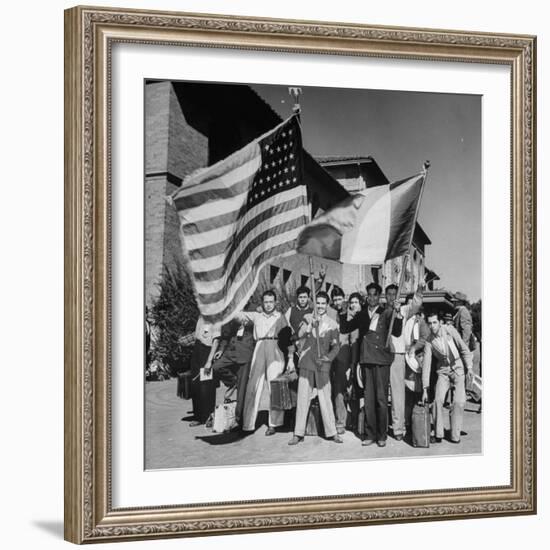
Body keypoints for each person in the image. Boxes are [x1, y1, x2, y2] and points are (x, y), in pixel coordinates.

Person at [338, 282, 403, 447]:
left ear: (379, 296)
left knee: (381, 399)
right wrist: (344, 310)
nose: (372, 297)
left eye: (375, 294)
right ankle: (369, 434)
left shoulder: (386, 311)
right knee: (368, 399)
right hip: (366, 359)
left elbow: (396, 331)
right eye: (370, 294)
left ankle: (382, 436)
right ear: (367, 296)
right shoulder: (361, 314)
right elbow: (345, 328)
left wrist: (398, 313)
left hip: (381, 360)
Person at [289, 292, 342, 445]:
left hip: (322, 365)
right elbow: (298, 335)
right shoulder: (307, 318)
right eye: (317, 303)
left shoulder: (332, 323)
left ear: (327, 305)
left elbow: (336, 346)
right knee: (303, 398)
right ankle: (298, 433)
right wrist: (310, 327)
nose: (319, 306)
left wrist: (328, 358)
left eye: (323, 303)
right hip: (306, 363)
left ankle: (332, 432)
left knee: (326, 399)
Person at [235, 290, 290, 435]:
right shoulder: (256, 316)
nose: (268, 305)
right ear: (262, 303)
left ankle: (275, 423)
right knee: (253, 385)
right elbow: (237, 315)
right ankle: (248, 424)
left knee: (275, 386)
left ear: (275, 302)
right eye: (266, 302)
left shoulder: (280, 317)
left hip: (275, 347)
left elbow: (288, 336)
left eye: (271, 301)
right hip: (259, 346)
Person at [422, 312, 473, 443]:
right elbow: (426, 365)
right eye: (430, 323)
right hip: (443, 371)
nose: (432, 326)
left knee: (458, 402)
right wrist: (425, 388)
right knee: (438, 400)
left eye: (434, 322)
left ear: (440, 322)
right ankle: (438, 434)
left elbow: (464, 349)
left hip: (457, 367)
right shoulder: (429, 341)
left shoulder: (450, 331)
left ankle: (455, 435)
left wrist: (470, 367)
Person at [385, 282, 423, 441]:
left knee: (397, 393)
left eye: (395, 294)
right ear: (386, 296)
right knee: (381, 393)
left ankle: (398, 428)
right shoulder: (382, 310)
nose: (392, 297)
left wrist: (419, 292)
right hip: (381, 354)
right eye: (389, 294)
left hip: (397, 355)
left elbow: (415, 305)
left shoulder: (403, 310)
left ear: (399, 296)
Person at [205, 315, 255, 429]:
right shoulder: (231, 312)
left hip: (245, 353)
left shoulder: (254, 309)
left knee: (241, 393)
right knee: (216, 367)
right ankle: (233, 382)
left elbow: (257, 330)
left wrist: (247, 320)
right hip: (230, 352)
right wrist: (221, 349)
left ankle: (239, 421)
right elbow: (225, 335)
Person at [328, 288, 361, 435]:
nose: (337, 302)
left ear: (344, 299)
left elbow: (354, 340)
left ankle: (352, 420)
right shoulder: (330, 314)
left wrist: (353, 364)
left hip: (345, 358)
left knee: (349, 390)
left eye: (339, 298)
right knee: (336, 390)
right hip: (332, 358)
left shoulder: (351, 316)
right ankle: (340, 421)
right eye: (334, 299)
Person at [189, 315, 221, 427]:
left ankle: (208, 417)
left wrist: (209, 361)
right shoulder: (201, 316)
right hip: (197, 350)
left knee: (206, 386)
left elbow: (216, 341)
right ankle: (198, 416)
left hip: (206, 352)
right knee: (195, 384)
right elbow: (198, 334)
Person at [403, 303, 430, 430]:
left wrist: (414, 347)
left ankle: (417, 423)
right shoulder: (405, 320)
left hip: (416, 360)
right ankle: (407, 422)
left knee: (416, 392)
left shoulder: (421, 322)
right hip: (406, 358)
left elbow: (425, 338)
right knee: (407, 392)